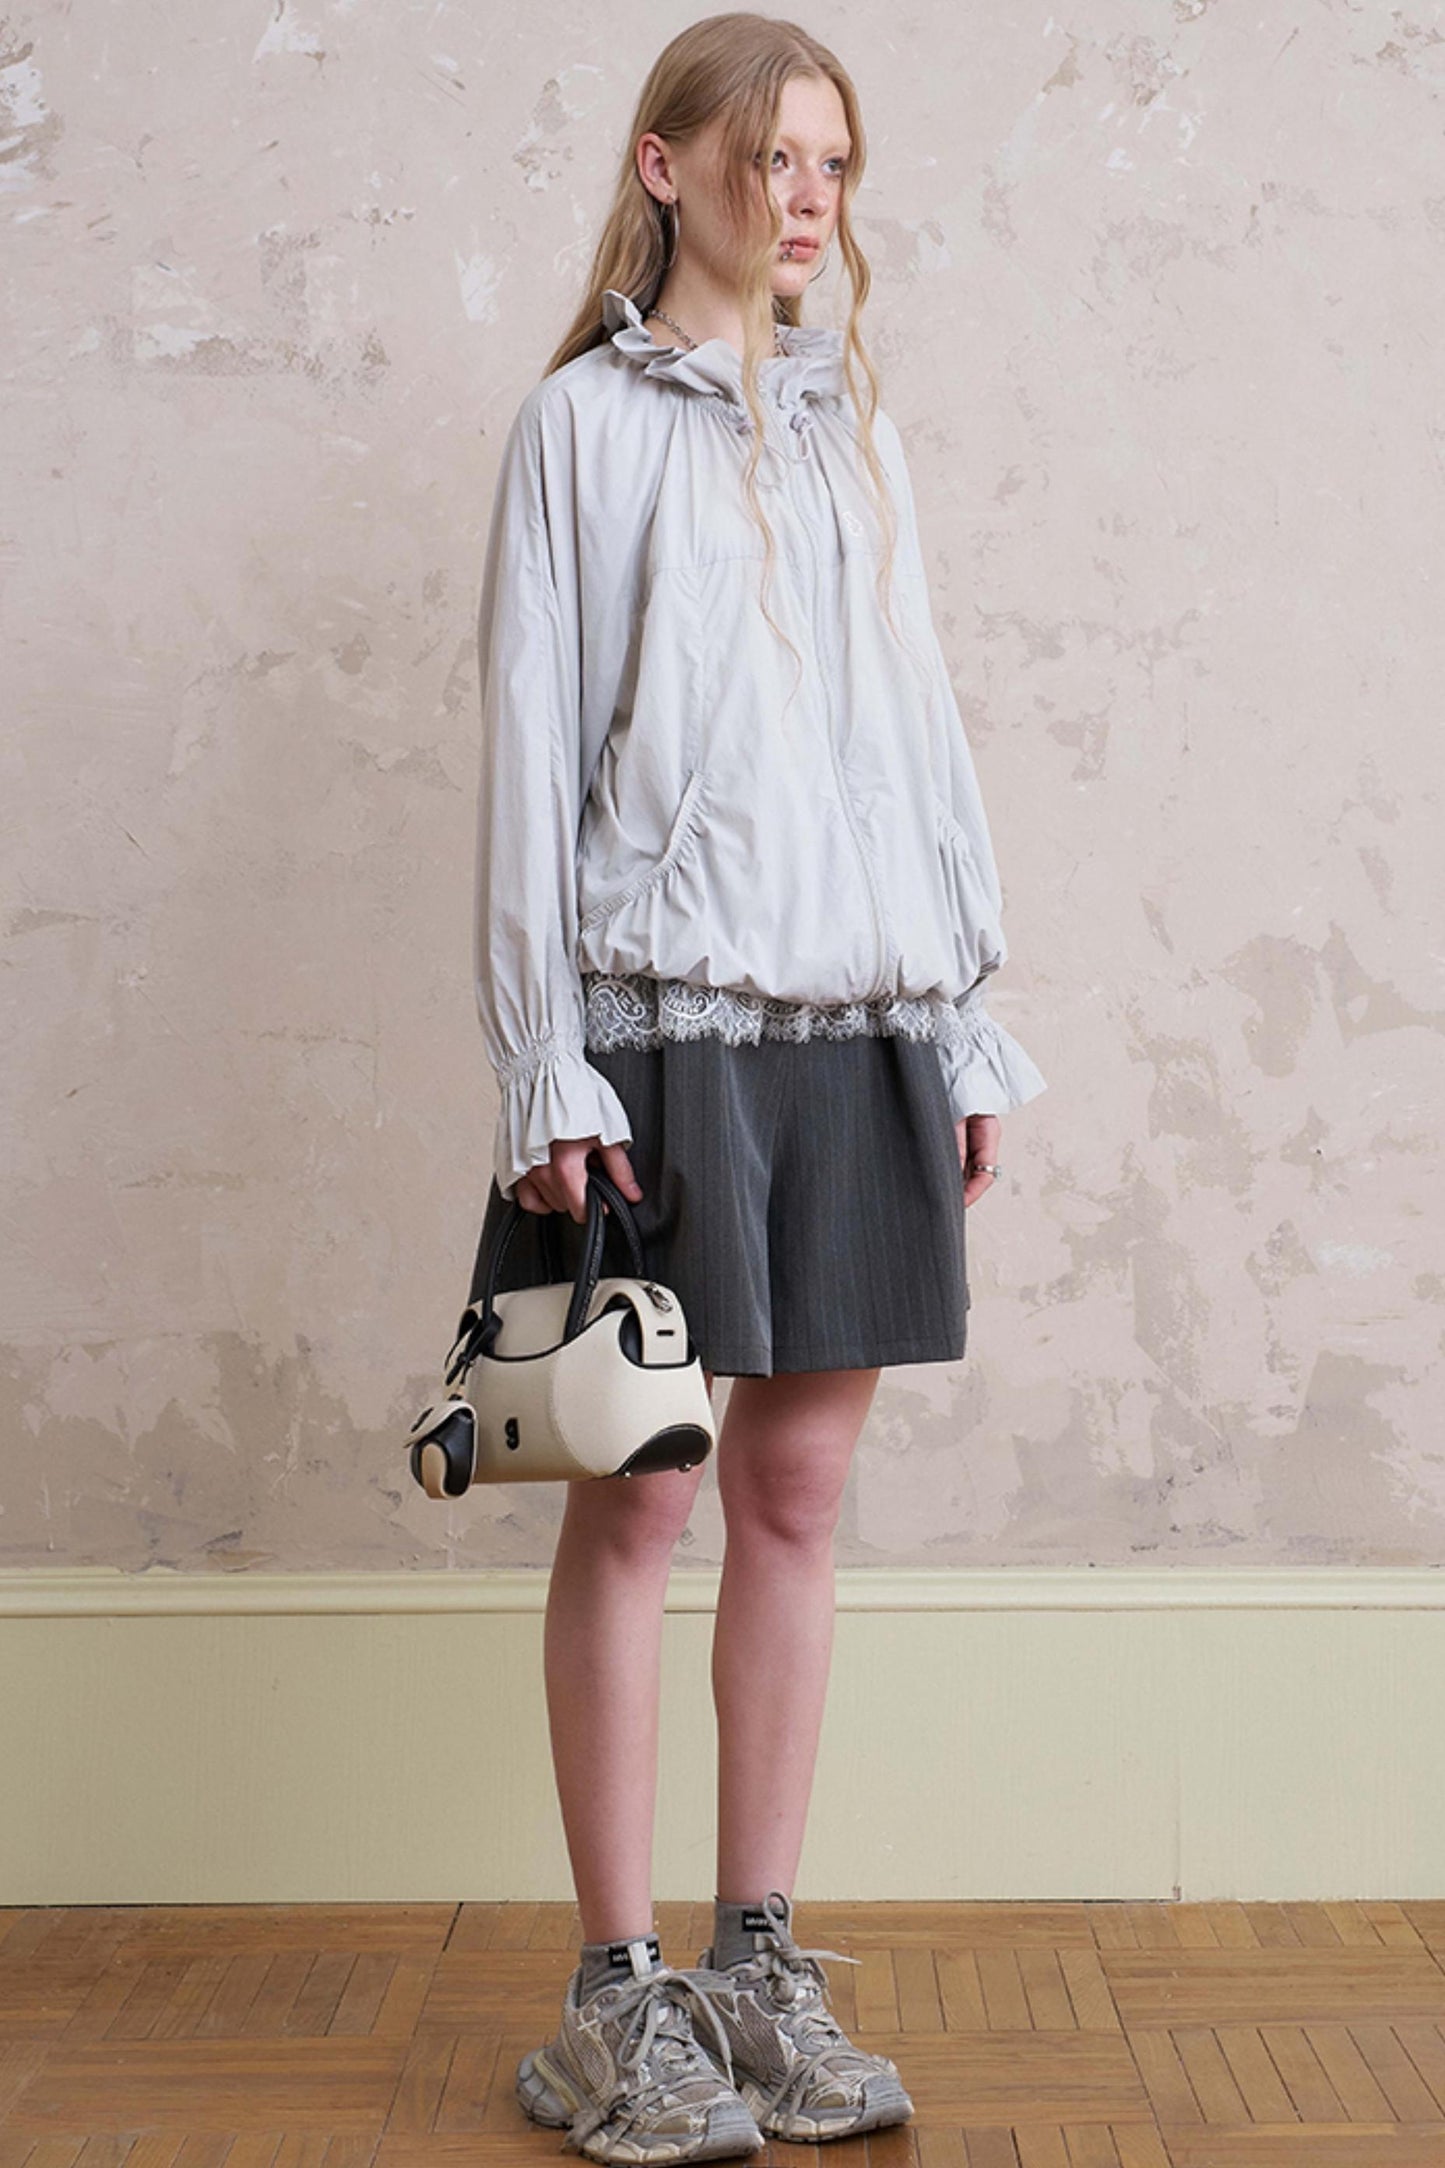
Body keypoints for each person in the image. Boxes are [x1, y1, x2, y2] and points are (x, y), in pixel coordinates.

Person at [469, 14, 1048, 2162]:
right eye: (771, 156)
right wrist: (542, 1055)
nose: (806, 198)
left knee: (795, 1499)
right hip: (653, 1029)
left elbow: (918, 737)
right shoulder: (580, 429)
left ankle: (756, 1965)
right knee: (643, 1495)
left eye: (832, 164)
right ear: (666, 166)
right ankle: (615, 1996)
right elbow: (533, 753)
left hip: (856, 1021)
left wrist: (958, 1018)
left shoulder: (851, 427)